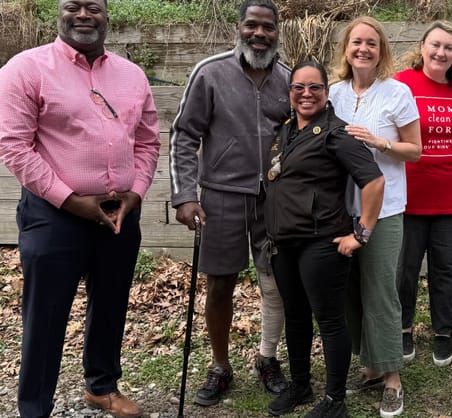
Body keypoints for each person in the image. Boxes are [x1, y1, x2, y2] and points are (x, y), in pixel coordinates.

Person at [0, 0, 160, 417]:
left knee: (111, 303)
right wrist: (70, 200)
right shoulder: (26, 69)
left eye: (94, 7)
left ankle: (101, 387)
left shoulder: (131, 75)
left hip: (119, 213)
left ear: (108, 15)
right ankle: (35, 406)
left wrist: (137, 192)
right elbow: (13, 146)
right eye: (74, 6)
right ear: (60, 12)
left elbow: (147, 142)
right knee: (46, 315)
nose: (84, 15)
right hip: (54, 214)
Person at [169, 0, 289, 406]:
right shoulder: (210, 72)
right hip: (220, 196)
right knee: (220, 284)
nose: (259, 34)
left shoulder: (289, 79)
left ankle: (268, 358)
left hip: (272, 199)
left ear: (277, 32)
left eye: (268, 27)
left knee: (277, 283)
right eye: (251, 25)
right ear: (238, 28)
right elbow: (184, 134)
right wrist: (185, 195)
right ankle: (220, 365)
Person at [264, 60, 385, 418]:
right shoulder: (285, 130)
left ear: (326, 92)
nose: (306, 94)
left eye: (314, 87)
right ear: (290, 93)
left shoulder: (337, 133)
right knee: (296, 317)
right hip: (284, 242)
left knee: (330, 320)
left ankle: (335, 401)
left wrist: (360, 234)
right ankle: (300, 384)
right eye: (298, 87)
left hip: (322, 243)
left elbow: (374, 181)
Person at [328, 16, 422, 418]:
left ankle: (393, 378)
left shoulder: (397, 93)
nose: (363, 49)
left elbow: (415, 150)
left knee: (381, 289)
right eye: (356, 43)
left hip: (385, 209)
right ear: (346, 49)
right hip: (341, 209)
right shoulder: (333, 93)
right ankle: (368, 363)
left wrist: (381, 142)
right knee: (349, 290)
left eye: (371, 43)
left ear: (381, 49)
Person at [393, 20, 452, 366]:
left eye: (449, 48)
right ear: (423, 47)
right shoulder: (402, 84)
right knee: (405, 269)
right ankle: (402, 329)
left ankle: (444, 332)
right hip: (409, 195)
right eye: (436, 45)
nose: (441, 53)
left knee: (448, 268)